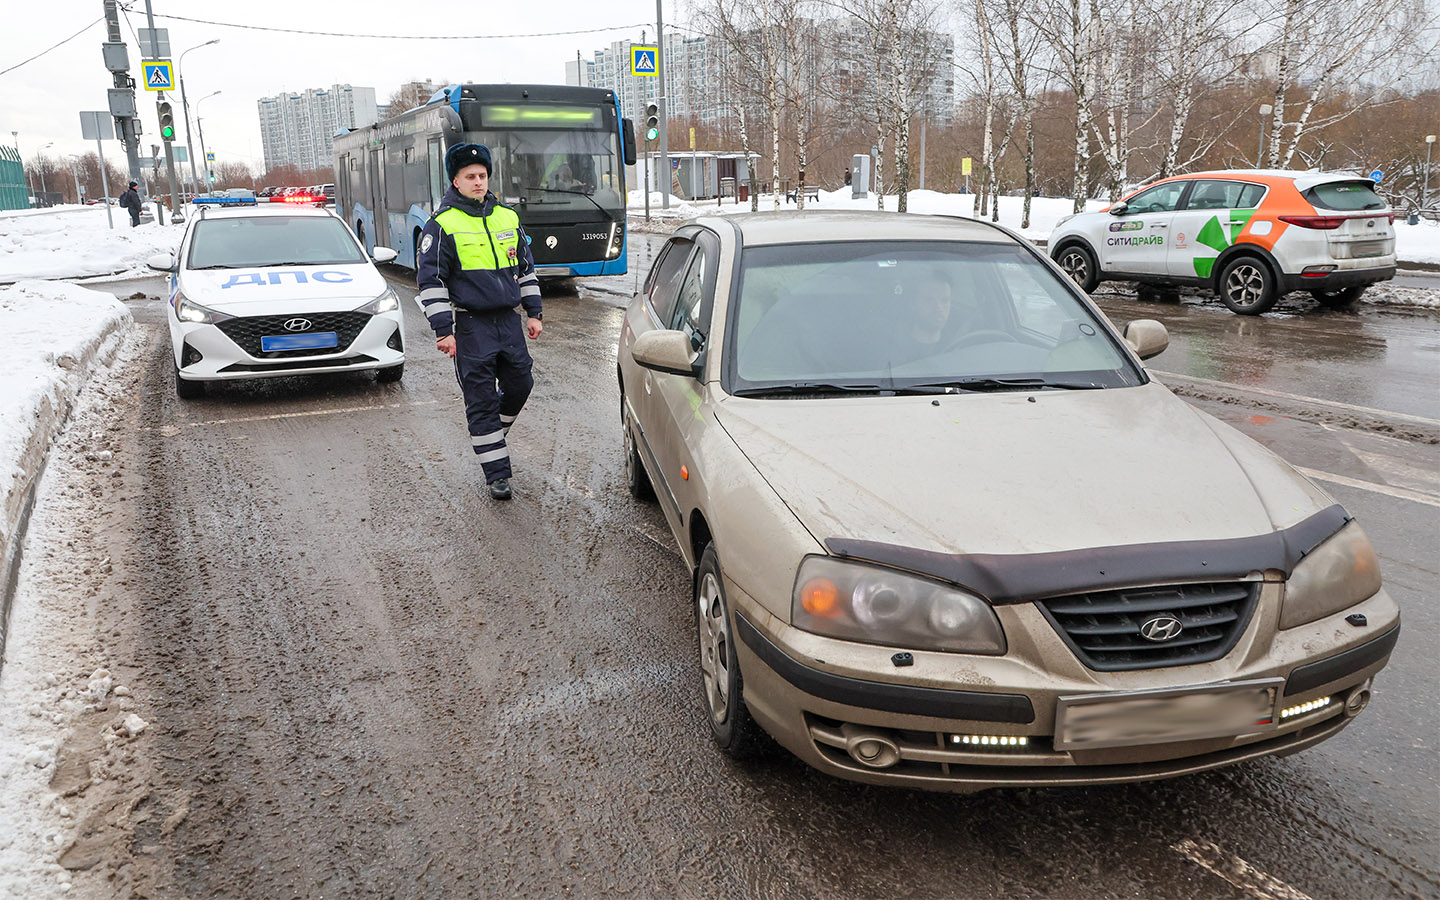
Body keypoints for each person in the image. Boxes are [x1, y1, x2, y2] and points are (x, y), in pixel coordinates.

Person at [417, 143, 543, 501]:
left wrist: (534, 313)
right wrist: (444, 330)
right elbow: (431, 281)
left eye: (482, 175)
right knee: (481, 401)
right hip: (471, 327)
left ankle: (490, 436)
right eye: (470, 176)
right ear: (455, 181)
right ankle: (497, 476)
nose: (478, 182)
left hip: (509, 322)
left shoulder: (507, 217)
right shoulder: (440, 225)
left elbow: (526, 270)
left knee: (521, 384)